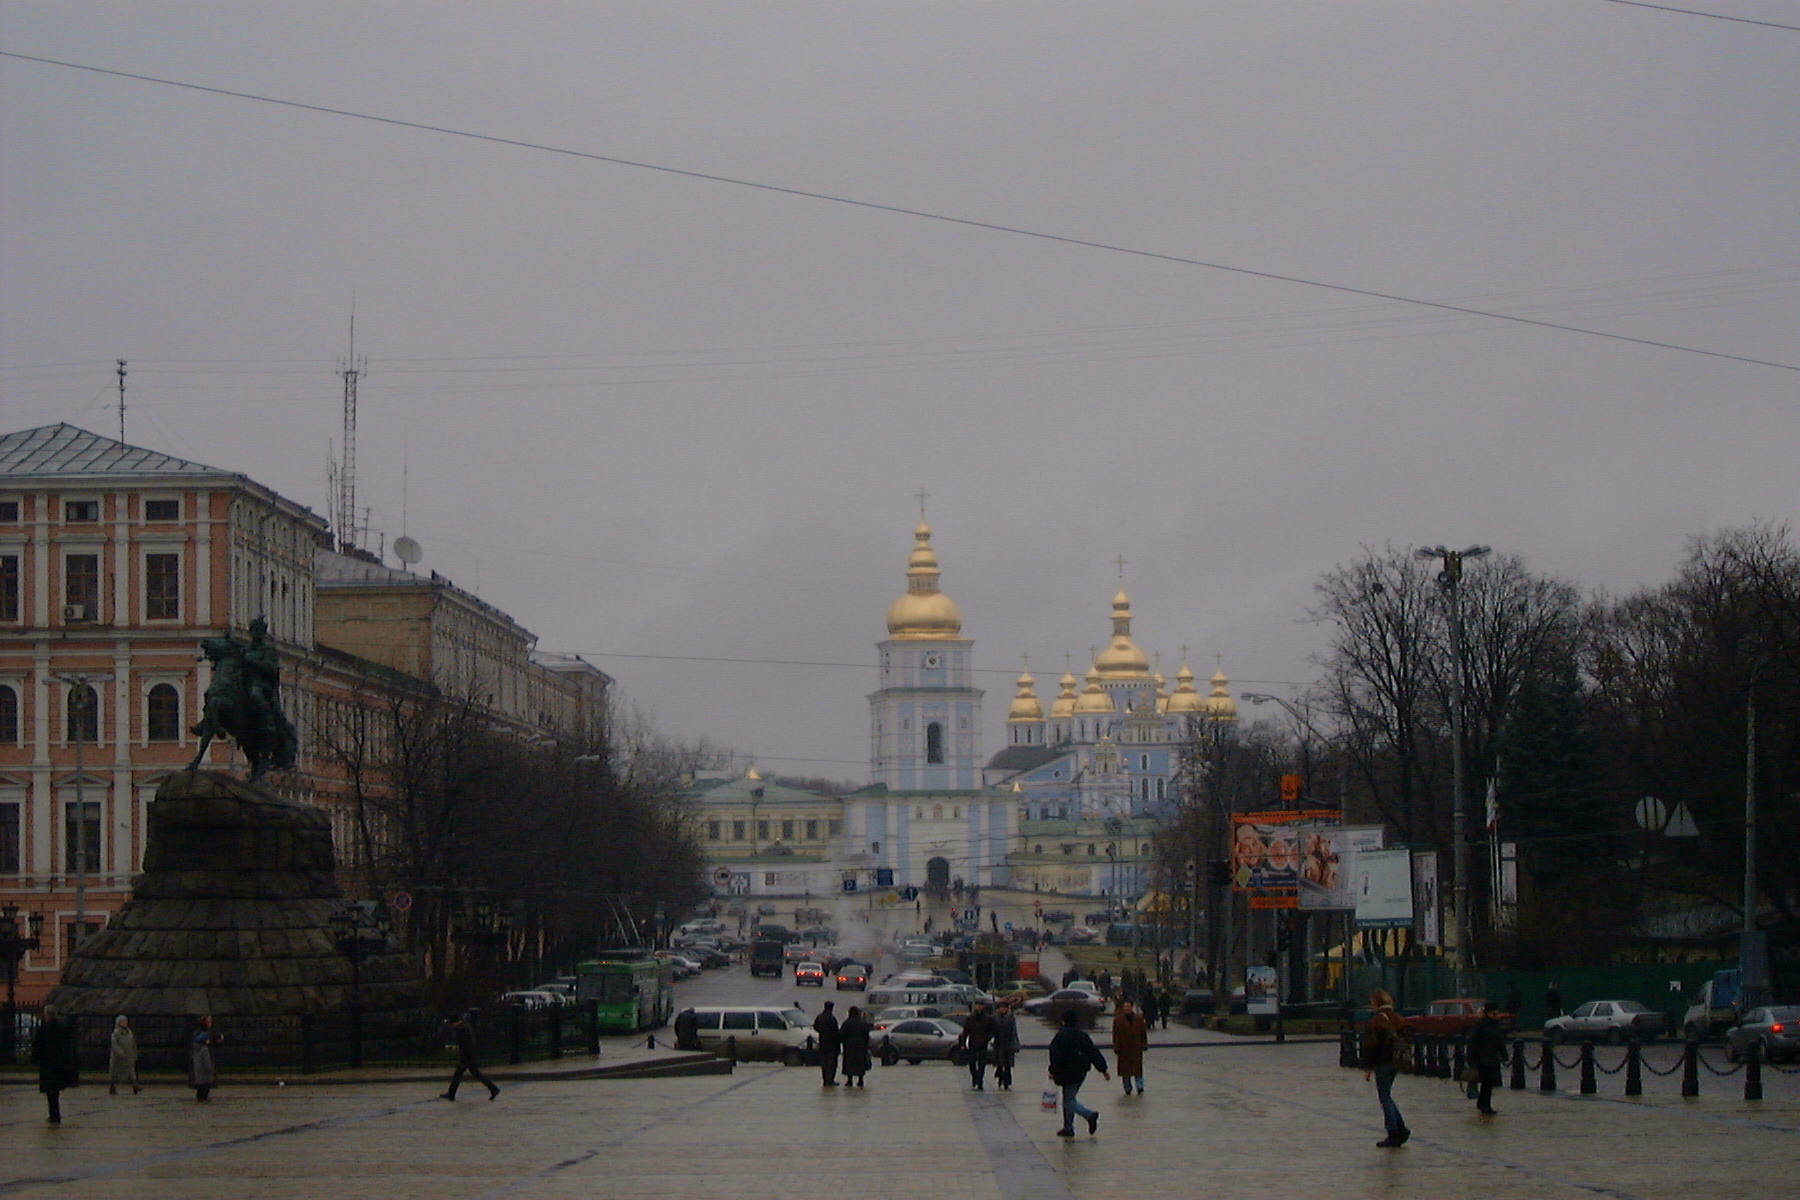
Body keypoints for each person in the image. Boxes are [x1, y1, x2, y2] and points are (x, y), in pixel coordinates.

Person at [1359, 989, 1411, 1148]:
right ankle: (1400, 1128)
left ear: (1375, 1003)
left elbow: (1370, 1046)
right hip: (1396, 1062)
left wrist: (1367, 1067)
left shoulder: (1376, 1021)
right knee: (1387, 1095)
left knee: (1384, 1096)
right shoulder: (1399, 1019)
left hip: (1382, 1062)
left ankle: (1394, 1131)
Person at [1048, 1008, 1110, 1137]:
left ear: (1064, 1021)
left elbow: (1056, 1055)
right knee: (1069, 1098)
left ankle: (1089, 1115)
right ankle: (1068, 1127)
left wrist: (1052, 1070)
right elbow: (1093, 1052)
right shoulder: (1082, 1035)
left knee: (1069, 1101)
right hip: (1081, 1072)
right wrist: (1103, 1069)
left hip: (1067, 1073)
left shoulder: (1061, 1036)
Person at [33, 1004, 79, 1125]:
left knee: (50, 1091)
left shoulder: (43, 1030)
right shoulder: (62, 1029)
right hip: (59, 1064)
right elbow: (68, 1046)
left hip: (47, 1064)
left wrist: (35, 1059)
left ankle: (54, 1114)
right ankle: (55, 1114)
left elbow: (37, 1047)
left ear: (46, 1015)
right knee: (55, 1090)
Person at [441, 1010, 500, 1101]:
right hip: (470, 1055)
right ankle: (493, 1089)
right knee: (474, 1074)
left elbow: (464, 1044)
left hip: (467, 1056)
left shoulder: (461, 1029)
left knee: (460, 1074)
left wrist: (464, 1056)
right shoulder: (465, 1026)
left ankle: (451, 1094)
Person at [1467, 1001, 1509, 1117]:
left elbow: (1499, 1041)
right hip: (1482, 1059)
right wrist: (1472, 1060)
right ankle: (1485, 1105)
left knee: (1489, 1083)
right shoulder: (1480, 1025)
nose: (1497, 1015)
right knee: (1486, 1083)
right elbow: (1472, 1043)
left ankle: (1483, 1104)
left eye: (1497, 1013)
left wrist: (1504, 1055)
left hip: (1492, 1058)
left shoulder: (1495, 1025)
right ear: (1488, 1013)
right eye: (1494, 1013)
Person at [954, 1001, 1001, 1090]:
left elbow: (994, 1030)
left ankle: (979, 1081)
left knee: (982, 1063)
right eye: (978, 1005)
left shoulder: (988, 1018)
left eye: (981, 1005)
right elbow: (965, 1031)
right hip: (973, 1043)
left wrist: (988, 1038)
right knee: (972, 1063)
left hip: (983, 1043)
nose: (979, 1007)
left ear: (984, 1007)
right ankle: (975, 1077)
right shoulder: (971, 1018)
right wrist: (963, 1043)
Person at [1111, 999, 1149, 1095]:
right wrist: (1116, 1046)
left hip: (1136, 1048)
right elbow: (1115, 1035)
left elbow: (1143, 1033)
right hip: (1124, 1049)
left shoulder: (1139, 1019)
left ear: (1132, 1007)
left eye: (1128, 1006)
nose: (1127, 1008)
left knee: (1138, 1070)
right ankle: (1127, 1088)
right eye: (1125, 1007)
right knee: (1125, 1071)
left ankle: (1140, 1087)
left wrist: (1144, 1044)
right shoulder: (1118, 1020)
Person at [189, 1015, 225, 1102]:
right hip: (203, 1063)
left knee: (203, 1084)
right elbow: (203, 1041)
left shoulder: (206, 1033)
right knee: (203, 1084)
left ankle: (202, 1097)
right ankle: (202, 1098)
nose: (210, 1023)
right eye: (208, 1021)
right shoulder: (201, 1034)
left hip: (202, 1063)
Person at [992, 998, 1022, 1091]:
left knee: (1008, 1064)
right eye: (1000, 1008)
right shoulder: (994, 1017)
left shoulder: (1010, 1017)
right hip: (998, 1043)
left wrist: (1015, 1043)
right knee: (1000, 1063)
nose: (1002, 1010)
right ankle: (1000, 1077)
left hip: (1008, 1043)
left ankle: (1007, 1081)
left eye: (1004, 1008)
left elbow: (1014, 1031)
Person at [839, 1006, 873, 1087]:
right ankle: (860, 1080)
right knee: (860, 1063)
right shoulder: (863, 1023)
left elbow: (842, 1035)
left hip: (849, 1047)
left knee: (849, 1064)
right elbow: (867, 1035)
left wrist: (843, 1043)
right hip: (861, 1047)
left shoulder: (847, 1023)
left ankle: (849, 1080)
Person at [109, 1015, 141, 1096]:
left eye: (126, 1021)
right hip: (118, 1057)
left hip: (129, 1055)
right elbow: (114, 1045)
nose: (125, 1023)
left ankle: (135, 1086)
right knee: (115, 1072)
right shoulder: (116, 1033)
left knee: (131, 1070)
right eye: (123, 1022)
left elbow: (133, 1044)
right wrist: (120, 1053)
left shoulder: (129, 1032)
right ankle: (112, 1086)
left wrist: (135, 1053)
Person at [813, 1001, 841, 1086]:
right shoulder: (831, 1018)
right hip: (832, 1045)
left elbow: (815, 1027)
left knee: (824, 1063)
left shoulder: (820, 1017)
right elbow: (835, 1032)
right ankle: (830, 1080)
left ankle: (825, 1079)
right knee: (831, 1063)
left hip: (823, 1043)